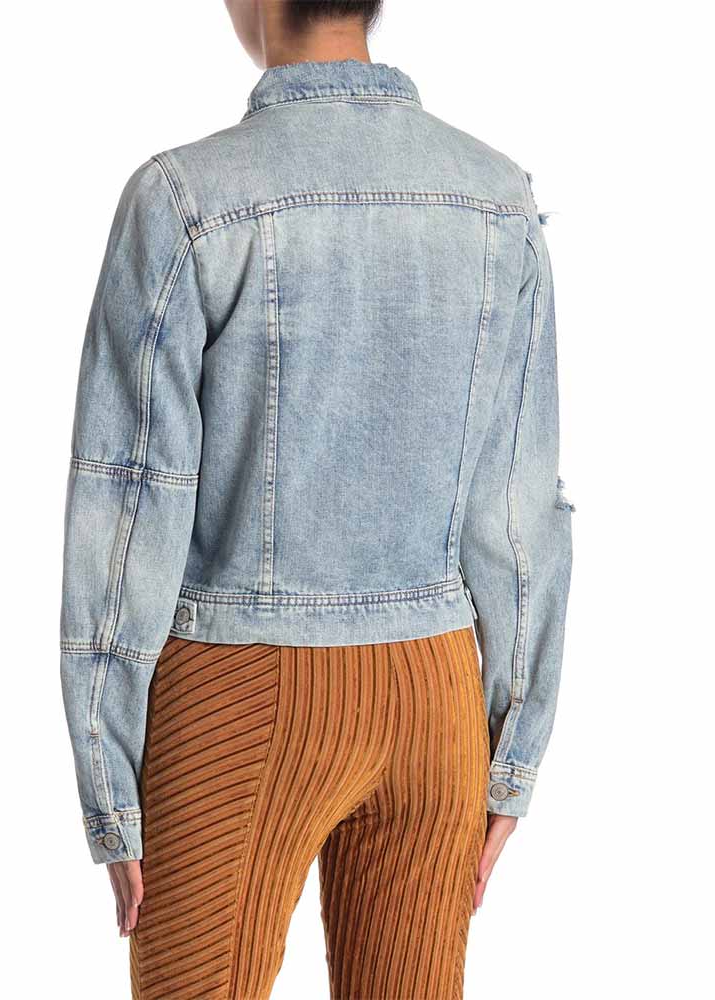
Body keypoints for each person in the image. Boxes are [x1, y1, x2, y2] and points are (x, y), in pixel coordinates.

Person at [59, 1, 574, 996]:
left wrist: (108, 779)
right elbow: (516, 510)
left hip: (238, 692)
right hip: (434, 698)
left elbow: (130, 499)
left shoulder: (186, 199)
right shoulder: (494, 197)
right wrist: (513, 746)